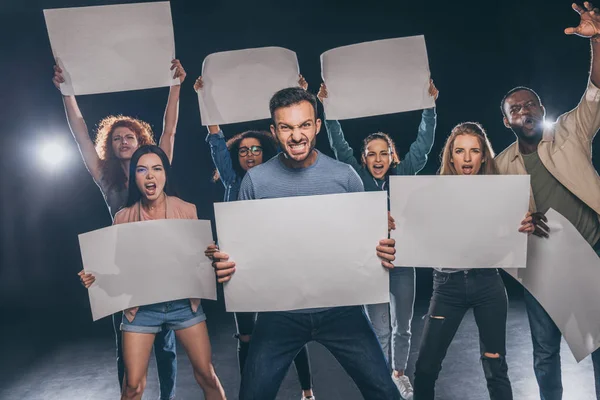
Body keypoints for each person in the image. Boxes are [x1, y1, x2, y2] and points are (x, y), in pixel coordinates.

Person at [211, 86, 400, 400]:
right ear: (275, 131)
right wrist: (226, 260)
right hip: (279, 311)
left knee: (384, 392)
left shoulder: (346, 177)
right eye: (286, 127)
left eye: (303, 125)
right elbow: (240, 246)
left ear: (317, 126)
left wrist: (383, 247)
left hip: (342, 309)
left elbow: (367, 243)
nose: (296, 135)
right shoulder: (256, 182)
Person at [54, 59, 186, 400]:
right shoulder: (104, 174)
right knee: (125, 341)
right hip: (123, 265)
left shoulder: (156, 167)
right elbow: (80, 132)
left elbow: (169, 130)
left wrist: (176, 86)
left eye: (129, 136)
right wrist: (66, 92)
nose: (124, 141)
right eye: (117, 138)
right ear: (110, 146)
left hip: (160, 261)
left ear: (140, 139)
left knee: (165, 343)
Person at [495, 3, 600, 399]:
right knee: (544, 352)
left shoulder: (570, 132)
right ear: (506, 120)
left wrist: (597, 41)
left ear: (542, 110)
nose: (524, 110)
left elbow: (595, 93)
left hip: (592, 251)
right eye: (514, 108)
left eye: (530, 104)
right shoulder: (500, 165)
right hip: (544, 267)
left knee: (599, 344)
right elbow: (492, 219)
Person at [195, 76, 316, 400]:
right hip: (242, 268)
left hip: (279, 264)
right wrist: (205, 99)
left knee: (290, 329)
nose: (250, 154)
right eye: (245, 151)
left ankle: (306, 391)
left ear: (266, 152)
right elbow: (217, 142)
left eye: (256, 150)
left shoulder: (282, 178)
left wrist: (301, 94)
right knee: (247, 336)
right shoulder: (234, 183)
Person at [317, 80, 439, 400]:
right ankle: (383, 378)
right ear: (364, 158)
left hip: (403, 263)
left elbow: (424, 144)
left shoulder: (405, 171)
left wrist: (430, 107)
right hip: (371, 265)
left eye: (383, 153)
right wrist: (328, 109)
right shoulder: (355, 178)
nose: (378, 158)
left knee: (403, 326)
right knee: (379, 328)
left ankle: (399, 374)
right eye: (371, 154)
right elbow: (338, 143)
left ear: (392, 155)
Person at [79, 145, 226, 400]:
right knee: (133, 386)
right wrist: (95, 276)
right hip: (141, 311)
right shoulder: (122, 218)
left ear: (165, 175)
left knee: (206, 375)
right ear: (134, 177)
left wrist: (210, 255)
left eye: (157, 169)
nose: (150, 176)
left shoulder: (186, 210)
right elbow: (116, 270)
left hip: (183, 307)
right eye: (142, 170)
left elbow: (200, 261)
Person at [413, 122, 536, 400]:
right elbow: (413, 228)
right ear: (451, 156)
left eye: (474, 151)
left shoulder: (502, 193)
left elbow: (509, 240)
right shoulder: (432, 193)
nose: (467, 158)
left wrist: (523, 226)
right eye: (460, 151)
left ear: (483, 157)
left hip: (488, 286)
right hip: (447, 287)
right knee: (425, 369)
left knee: (496, 367)